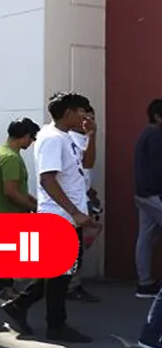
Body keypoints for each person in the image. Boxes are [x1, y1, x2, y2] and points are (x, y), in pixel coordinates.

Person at [1, 92, 93, 343]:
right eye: (81, 110)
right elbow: (47, 178)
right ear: (69, 112)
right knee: (60, 275)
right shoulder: (52, 139)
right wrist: (74, 212)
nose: (85, 115)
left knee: (59, 271)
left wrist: (91, 134)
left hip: (69, 215)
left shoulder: (67, 137)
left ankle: (19, 305)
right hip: (59, 215)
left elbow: (86, 163)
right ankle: (56, 325)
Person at [0, 117, 40, 305]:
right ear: (25, 136)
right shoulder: (10, 157)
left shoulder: (3, 151)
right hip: (7, 214)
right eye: (32, 138)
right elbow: (11, 192)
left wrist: (36, 203)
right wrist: (34, 208)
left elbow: (20, 189)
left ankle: (5, 289)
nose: (32, 142)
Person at [66, 106, 100, 303]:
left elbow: (87, 167)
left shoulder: (86, 138)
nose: (89, 120)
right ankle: (68, 286)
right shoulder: (66, 138)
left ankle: (74, 284)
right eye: (85, 117)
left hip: (83, 199)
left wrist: (90, 191)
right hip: (69, 203)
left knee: (79, 247)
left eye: (92, 117)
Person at [136, 99, 162, 300]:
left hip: (143, 193)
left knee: (145, 238)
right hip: (153, 194)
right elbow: (158, 168)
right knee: (145, 238)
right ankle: (145, 284)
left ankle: (144, 284)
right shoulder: (155, 136)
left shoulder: (147, 134)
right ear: (157, 116)